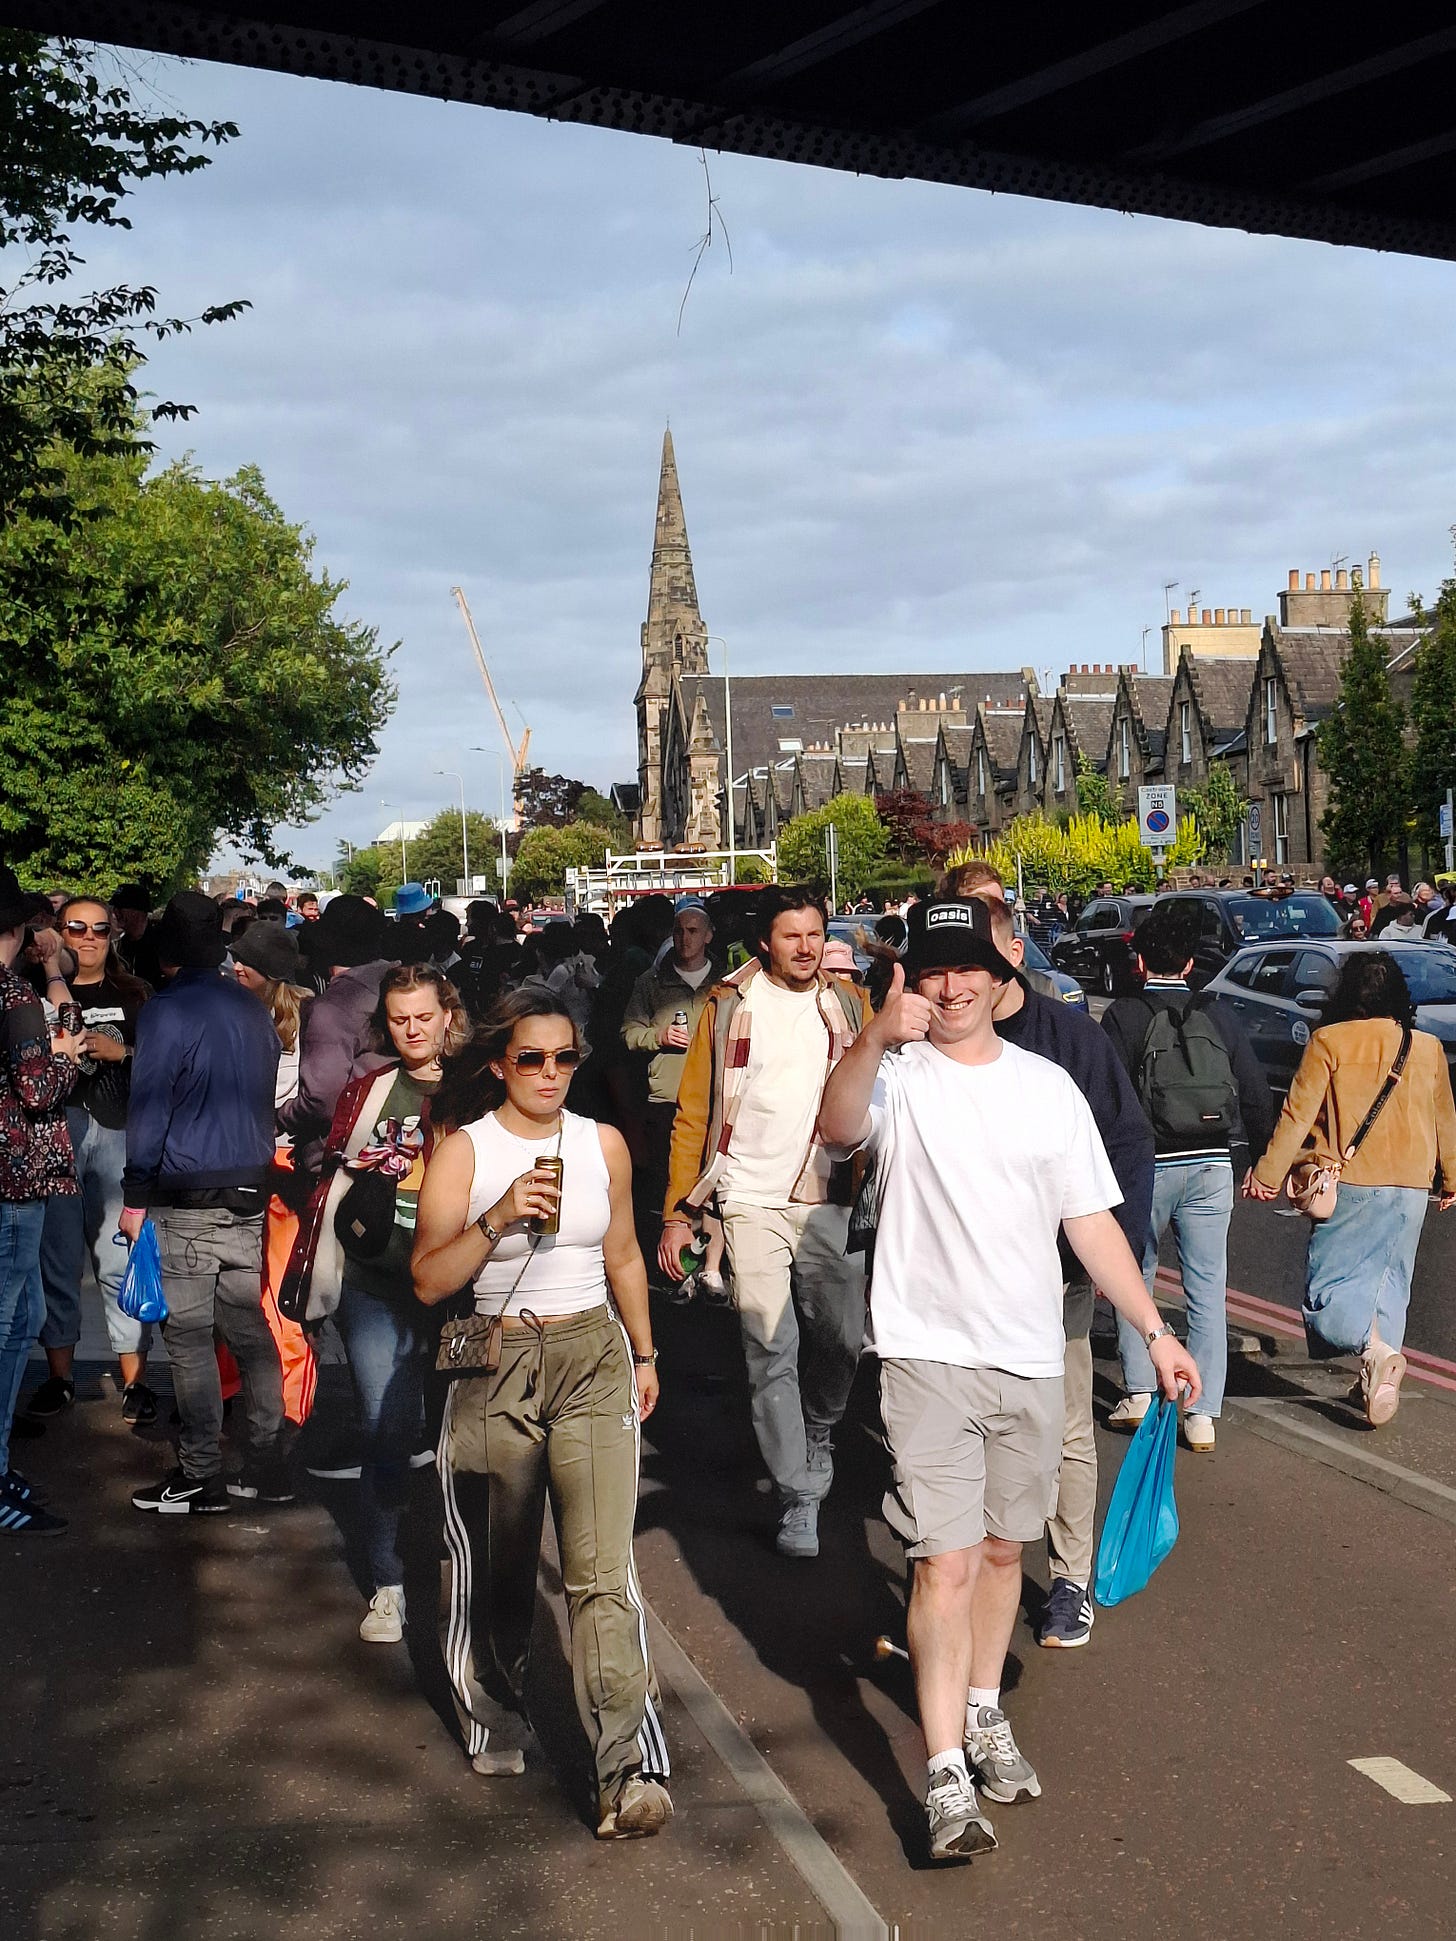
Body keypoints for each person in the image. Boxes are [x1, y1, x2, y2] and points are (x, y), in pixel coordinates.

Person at [817, 895, 1200, 1863]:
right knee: (941, 1559)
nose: (949, 986)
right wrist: (871, 1034)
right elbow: (836, 1125)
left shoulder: (1045, 1089)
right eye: (932, 969)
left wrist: (1153, 1331)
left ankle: (984, 1712)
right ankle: (944, 1773)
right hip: (924, 1357)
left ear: (1000, 980)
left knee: (998, 1556)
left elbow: (1090, 1225)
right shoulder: (896, 1078)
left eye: (966, 969)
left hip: (1028, 1354)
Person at [411, 991, 673, 1838]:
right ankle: (494, 1699)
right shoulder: (465, 1151)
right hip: (496, 1361)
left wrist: (645, 1351)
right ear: (500, 1064)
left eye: (565, 1057)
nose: (551, 1073)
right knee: (502, 1566)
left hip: (592, 1355)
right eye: (532, 1058)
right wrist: (499, 1214)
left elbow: (624, 1252)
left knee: (600, 1569)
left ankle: (621, 1768)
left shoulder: (603, 1144)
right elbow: (428, 1279)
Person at [962, 874, 1153, 1648]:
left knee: (1069, 1426)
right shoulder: (932, 1044)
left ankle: (1070, 1578)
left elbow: (1128, 1143)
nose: (961, 978)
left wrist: (1116, 1261)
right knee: (974, 1429)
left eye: (978, 955)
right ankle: (967, 1574)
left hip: (1059, 1273)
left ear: (1013, 950)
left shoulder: (1071, 1040)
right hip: (966, 1280)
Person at [658, 886, 870, 1560]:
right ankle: (798, 1492)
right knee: (768, 1349)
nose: (806, 947)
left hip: (827, 1196)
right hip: (747, 1197)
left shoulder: (848, 1003)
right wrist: (678, 1211)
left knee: (840, 1339)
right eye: (791, 935)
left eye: (815, 934)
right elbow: (694, 1113)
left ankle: (820, 1427)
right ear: (764, 942)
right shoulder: (727, 1004)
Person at [304, 966, 466, 1640]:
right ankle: (389, 1578)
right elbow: (333, 1163)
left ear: (449, 1016)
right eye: (399, 1018)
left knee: (461, 1432)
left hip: (461, 1286)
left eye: (423, 1016)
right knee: (384, 1425)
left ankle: (463, 1566)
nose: (412, 1029)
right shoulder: (370, 1086)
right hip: (376, 1285)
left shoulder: (478, 1088)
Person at [122, 893, 289, 1515]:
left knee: (188, 1338)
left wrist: (135, 1195)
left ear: (167, 952)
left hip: (186, 1192)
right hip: (248, 1185)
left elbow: (151, 1107)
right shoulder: (250, 1008)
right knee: (247, 1329)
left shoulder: (166, 1012)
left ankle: (200, 1474)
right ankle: (268, 1462)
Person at [1245, 951, 1456, 1425]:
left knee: (1329, 1286)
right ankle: (1376, 1376)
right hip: (1411, 1184)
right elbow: (1446, 1116)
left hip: (1352, 1180)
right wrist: (1452, 1178)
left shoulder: (1329, 1041)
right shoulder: (1424, 1047)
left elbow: (1297, 1115)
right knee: (1390, 1283)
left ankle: (1371, 1350)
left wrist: (1267, 1173)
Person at [1101, 901, 1274, 1453]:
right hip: (1210, 1165)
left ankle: (1139, 1393)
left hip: (1145, 1166)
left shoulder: (1124, 1016)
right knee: (1206, 1288)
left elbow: (1105, 1100)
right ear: (1193, 960)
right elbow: (1253, 1090)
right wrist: (1253, 1159)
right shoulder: (1218, 1014)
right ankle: (1202, 1413)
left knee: (1136, 1277)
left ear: (1141, 960)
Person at [28, 898, 156, 1429]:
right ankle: (60, 1377)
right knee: (57, 1261)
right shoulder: (34, 995)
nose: (88, 938)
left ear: (114, 936)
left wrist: (121, 1053)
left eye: (100, 929)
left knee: (117, 1259)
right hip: (58, 1131)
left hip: (119, 1130)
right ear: (59, 934)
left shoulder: (134, 993)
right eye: (75, 928)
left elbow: (165, 1063)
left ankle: (136, 1382)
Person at [0, 865, 80, 1535]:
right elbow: (37, 1089)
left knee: (18, 1317)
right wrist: (70, 1053)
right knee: (6, 1328)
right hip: (16, 1177)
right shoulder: (13, 996)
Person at [229, 918, 318, 1430]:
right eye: (234, 957)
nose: (236, 966)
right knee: (235, 1295)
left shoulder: (308, 1018)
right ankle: (239, 1407)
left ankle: (288, 1417)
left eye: (248, 961)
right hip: (236, 1164)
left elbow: (315, 1097)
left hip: (284, 1169)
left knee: (283, 1296)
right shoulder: (228, 1009)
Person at [621, 898, 725, 1297]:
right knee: (670, 1187)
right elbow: (627, 1033)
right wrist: (657, 1038)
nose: (685, 938)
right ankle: (674, 1270)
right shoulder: (650, 982)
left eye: (694, 930)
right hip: (666, 1101)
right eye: (679, 931)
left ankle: (712, 1267)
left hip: (717, 1100)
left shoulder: (728, 983)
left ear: (709, 935)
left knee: (715, 1187)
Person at [277, 894, 397, 1176]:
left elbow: (321, 1099)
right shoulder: (410, 985)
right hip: (406, 1148)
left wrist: (280, 1117)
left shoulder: (332, 1009)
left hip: (345, 1164)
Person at [111, 885, 163, 989]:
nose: (115, 912)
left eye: (120, 908)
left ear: (137, 911)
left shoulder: (163, 943)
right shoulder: (117, 946)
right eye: (114, 908)